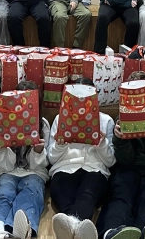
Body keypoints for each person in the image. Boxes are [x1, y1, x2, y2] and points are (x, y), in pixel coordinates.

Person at [95, 71, 145, 239]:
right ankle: (112, 232)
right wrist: (120, 140)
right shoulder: (123, 118)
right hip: (129, 168)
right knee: (120, 195)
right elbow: (126, 160)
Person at [48, 79, 116, 235]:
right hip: (64, 168)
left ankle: (71, 229)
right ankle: (78, 230)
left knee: (88, 193)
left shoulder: (105, 120)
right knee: (61, 193)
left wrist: (102, 143)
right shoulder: (60, 119)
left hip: (95, 169)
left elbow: (111, 161)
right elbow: (51, 159)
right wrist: (61, 144)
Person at [0, 81, 51, 239]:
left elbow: (39, 164)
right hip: (7, 171)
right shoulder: (4, 125)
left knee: (30, 193)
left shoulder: (43, 126)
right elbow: (5, 165)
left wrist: (38, 151)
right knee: (4, 192)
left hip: (34, 172)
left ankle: (20, 229)